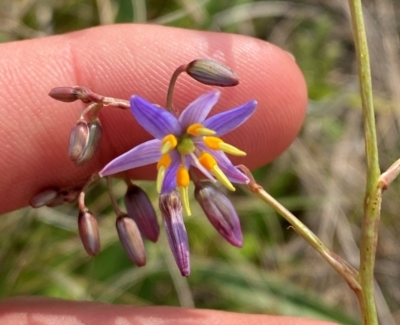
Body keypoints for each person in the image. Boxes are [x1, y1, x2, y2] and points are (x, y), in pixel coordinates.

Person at [0, 24, 337, 325]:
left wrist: (222, 168)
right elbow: (140, 118)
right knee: (172, 192)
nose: (190, 151)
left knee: (183, 192)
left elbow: (228, 133)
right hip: (175, 142)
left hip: (181, 145)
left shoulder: (193, 148)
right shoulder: (171, 136)